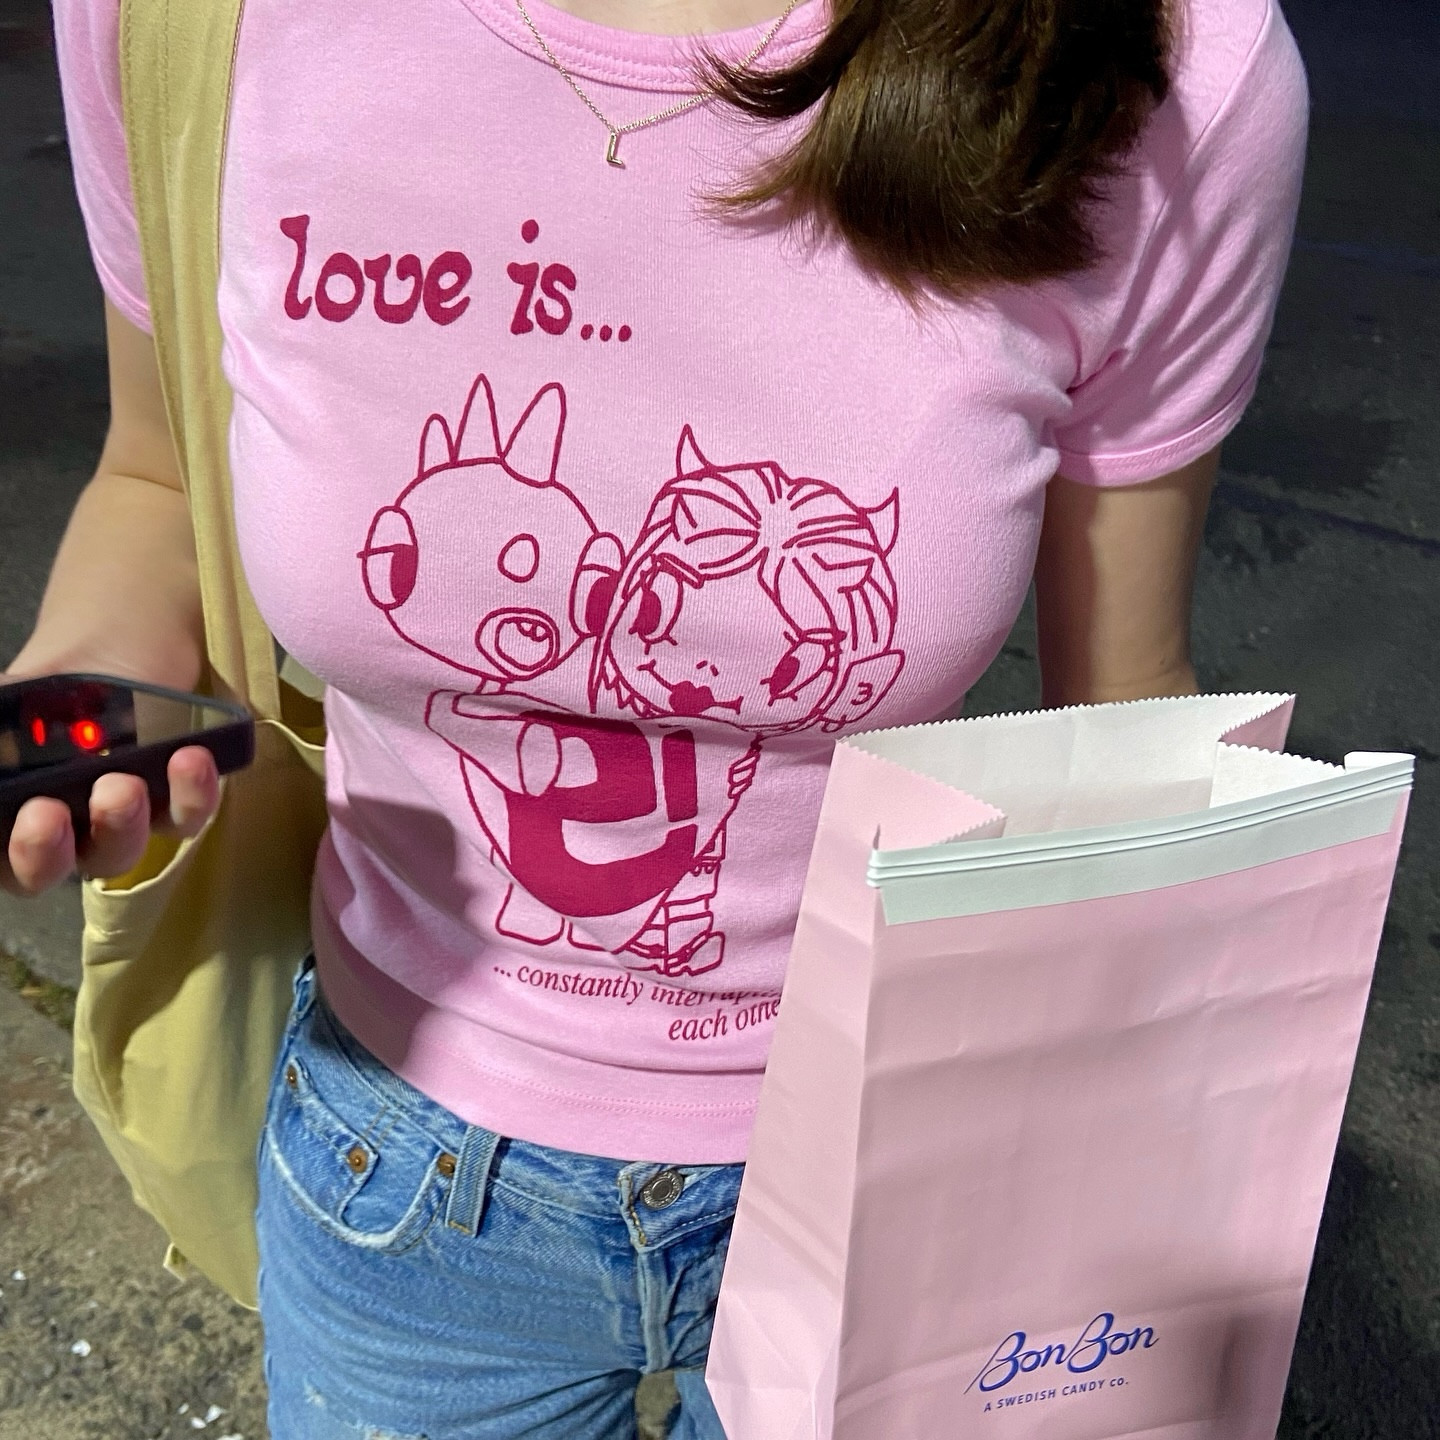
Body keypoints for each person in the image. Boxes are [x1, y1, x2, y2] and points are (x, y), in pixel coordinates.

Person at [9, 0, 1307, 1434]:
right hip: (401, 1175)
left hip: (886, 1167)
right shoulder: (195, 21)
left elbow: (1127, 710)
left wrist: (1180, 1166)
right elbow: (156, 484)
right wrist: (75, 683)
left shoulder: (1162, 63)